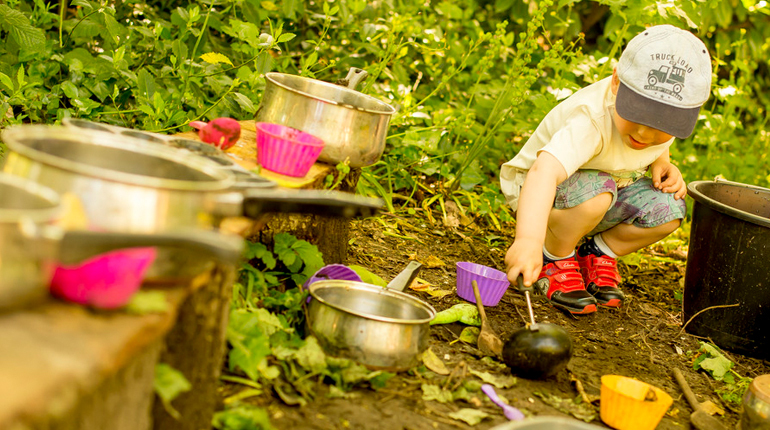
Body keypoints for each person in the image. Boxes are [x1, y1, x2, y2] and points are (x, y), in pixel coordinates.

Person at [500, 24, 712, 315]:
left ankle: (596, 253)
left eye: (662, 126)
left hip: (602, 194)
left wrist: (663, 161)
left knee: (669, 207)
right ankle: (553, 255)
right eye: (637, 115)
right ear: (616, 83)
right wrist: (528, 240)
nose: (645, 134)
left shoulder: (660, 126)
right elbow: (543, 173)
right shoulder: (591, 119)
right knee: (598, 193)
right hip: (541, 199)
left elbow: (657, 143)